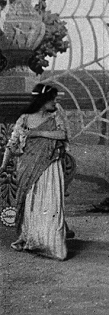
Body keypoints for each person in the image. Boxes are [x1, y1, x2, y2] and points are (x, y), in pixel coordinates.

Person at [0, 84, 70, 260]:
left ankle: (53, 245)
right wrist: (3, 165)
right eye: (52, 99)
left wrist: (37, 133)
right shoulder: (24, 119)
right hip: (29, 167)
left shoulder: (55, 116)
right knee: (33, 205)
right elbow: (12, 143)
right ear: (42, 100)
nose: (55, 102)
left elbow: (62, 135)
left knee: (51, 204)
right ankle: (35, 240)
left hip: (51, 167)